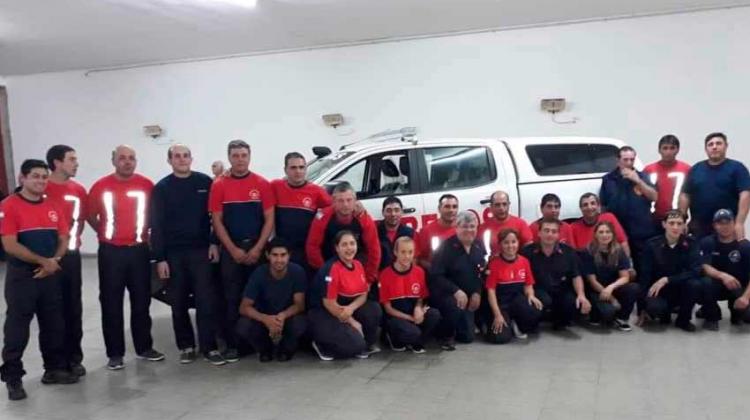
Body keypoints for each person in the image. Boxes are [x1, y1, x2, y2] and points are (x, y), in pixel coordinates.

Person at [0, 160, 78, 401]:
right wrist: (44, 262)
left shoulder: (52, 205)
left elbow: (64, 237)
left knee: (54, 324)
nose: (41, 181)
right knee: (17, 329)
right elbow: (10, 244)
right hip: (23, 277)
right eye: (35, 176)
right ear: (22, 179)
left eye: (44, 177)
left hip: (50, 274)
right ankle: (13, 378)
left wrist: (53, 260)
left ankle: (53, 369)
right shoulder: (8, 206)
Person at [88, 145, 164, 370]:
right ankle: (115, 353)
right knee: (111, 302)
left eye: (131, 158)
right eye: (122, 158)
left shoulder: (146, 185)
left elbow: (155, 215)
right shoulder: (101, 186)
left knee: (142, 300)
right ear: (113, 161)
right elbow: (91, 216)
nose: (127, 162)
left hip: (139, 251)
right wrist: (106, 234)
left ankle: (144, 347)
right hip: (111, 252)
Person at [149, 144, 224, 365]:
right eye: (177, 156)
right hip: (174, 254)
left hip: (201, 251)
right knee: (178, 301)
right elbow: (157, 225)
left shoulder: (204, 183)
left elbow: (215, 216)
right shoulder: (162, 188)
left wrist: (213, 243)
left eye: (185, 156)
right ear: (170, 161)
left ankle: (209, 347)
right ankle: (186, 346)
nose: (182, 160)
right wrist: (160, 257)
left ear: (191, 159)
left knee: (205, 300)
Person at [209, 139, 275, 362]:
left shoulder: (262, 184)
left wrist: (258, 248)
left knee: (258, 297)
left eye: (243, 155)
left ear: (250, 156)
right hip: (231, 250)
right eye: (235, 156)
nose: (240, 160)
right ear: (229, 158)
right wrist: (232, 249)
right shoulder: (219, 185)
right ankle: (234, 345)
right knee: (232, 298)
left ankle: (258, 342)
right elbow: (216, 221)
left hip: (257, 249)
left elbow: (269, 219)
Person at [44, 145, 88, 377]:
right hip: (47, 259)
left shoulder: (78, 190)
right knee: (52, 310)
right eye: (72, 159)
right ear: (57, 162)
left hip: (71, 257)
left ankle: (74, 358)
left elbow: (82, 220)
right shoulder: (42, 188)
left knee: (73, 308)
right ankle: (54, 363)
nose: (76, 163)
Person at [308, 231, 382, 360]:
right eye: (344, 245)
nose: (349, 248)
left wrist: (351, 309)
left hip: (344, 308)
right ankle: (321, 344)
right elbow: (329, 304)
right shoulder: (332, 268)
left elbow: (364, 294)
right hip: (325, 312)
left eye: (352, 243)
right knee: (353, 346)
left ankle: (363, 344)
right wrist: (353, 322)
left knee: (374, 309)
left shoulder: (358, 265)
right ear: (337, 248)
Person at [236, 239, 307, 362]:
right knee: (244, 325)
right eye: (275, 255)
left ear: (289, 255)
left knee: (300, 323)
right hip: (263, 320)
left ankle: (286, 349)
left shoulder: (297, 272)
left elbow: (300, 305)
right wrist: (265, 319)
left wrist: (282, 316)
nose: (279, 260)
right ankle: (264, 350)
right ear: (267, 255)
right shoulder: (259, 274)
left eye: (283, 255)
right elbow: (244, 307)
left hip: (286, 319)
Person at [639, 210, 705, 332]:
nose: (675, 227)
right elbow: (645, 276)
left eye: (679, 223)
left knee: (695, 284)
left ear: (684, 226)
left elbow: (695, 271)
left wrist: (667, 279)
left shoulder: (691, 244)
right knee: (655, 309)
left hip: (681, 289)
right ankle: (664, 312)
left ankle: (683, 320)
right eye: (671, 223)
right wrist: (642, 308)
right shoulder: (651, 245)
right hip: (659, 291)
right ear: (664, 224)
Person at [306, 182, 381, 286]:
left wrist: (368, 279)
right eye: (340, 201)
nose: (345, 204)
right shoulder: (322, 217)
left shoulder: (364, 219)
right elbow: (312, 247)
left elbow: (374, 251)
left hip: (356, 264)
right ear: (333, 201)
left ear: (355, 201)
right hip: (329, 263)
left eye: (349, 200)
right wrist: (325, 273)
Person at [430, 211, 486, 347]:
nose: (469, 230)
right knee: (453, 307)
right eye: (465, 226)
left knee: (467, 337)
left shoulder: (479, 245)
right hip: (448, 295)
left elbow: (481, 273)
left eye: (472, 226)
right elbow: (436, 276)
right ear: (457, 227)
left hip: (469, 295)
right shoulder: (445, 247)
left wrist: (477, 292)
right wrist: (456, 291)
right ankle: (445, 335)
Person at [521, 219, 591, 330]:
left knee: (573, 303)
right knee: (542, 304)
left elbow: (576, 275)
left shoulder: (569, 252)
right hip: (538, 291)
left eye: (554, 231)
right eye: (546, 230)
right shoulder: (527, 252)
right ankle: (541, 317)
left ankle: (558, 319)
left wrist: (581, 295)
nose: (550, 234)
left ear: (558, 235)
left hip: (561, 289)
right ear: (539, 233)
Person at [680, 132, 750, 240]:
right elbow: (685, 195)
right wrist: (682, 220)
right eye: (710, 144)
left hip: (727, 228)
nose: (714, 147)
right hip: (699, 228)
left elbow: (745, 194)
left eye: (718, 143)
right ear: (706, 149)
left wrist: (739, 223)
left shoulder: (737, 168)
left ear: (726, 146)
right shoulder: (696, 169)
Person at [600, 146, 658, 273]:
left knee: (644, 266)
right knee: (622, 267)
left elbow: (654, 197)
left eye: (632, 160)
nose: (629, 163)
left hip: (641, 231)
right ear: (618, 160)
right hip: (618, 231)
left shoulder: (642, 176)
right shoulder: (608, 179)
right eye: (625, 160)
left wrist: (638, 181)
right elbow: (603, 207)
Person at [379, 236, 440, 353]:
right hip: (396, 317)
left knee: (434, 314)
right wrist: (410, 318)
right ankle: (393, 338)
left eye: (410, 252)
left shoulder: (419, 272)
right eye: (403, 252)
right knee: (412, 332)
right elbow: (388, 309)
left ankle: (415, 341)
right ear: (395, 252)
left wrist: (418, 308)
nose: (407, 256)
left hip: (412, 315)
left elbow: (421, 297)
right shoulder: (385, 274)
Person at [271, 152, 331, 270]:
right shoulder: (275, 186)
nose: (298, 171)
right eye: (293, 168)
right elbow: (255, 188)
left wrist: (356, 205)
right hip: (281, 253)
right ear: (285, 170)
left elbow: (337, 207)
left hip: (304, 251)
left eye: (301, 167)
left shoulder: (316, 191)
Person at [485, 229, 543, 344]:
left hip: (517, 301)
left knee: (535, 309)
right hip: (501, 304)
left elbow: (528, 284)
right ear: (500, 245)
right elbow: (491, 291)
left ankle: (517, 323)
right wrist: (497, 315)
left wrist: (531, 295)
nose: (510, 246)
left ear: (518, 243)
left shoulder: (524, 261)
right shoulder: (494, 264)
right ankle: (502, 322)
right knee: (499, 338)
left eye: (513, 242)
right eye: (506, 242)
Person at [580, 221, 640, 331]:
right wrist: (612, 300)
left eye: (608, 232)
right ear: (595, 235)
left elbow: (625, 277)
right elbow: (592, 281)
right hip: (595, 290)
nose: (604, 235)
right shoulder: (587, 252)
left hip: (611, 288)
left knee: (634, 288)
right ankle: (597, 315)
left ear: (613, 234)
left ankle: (622, 318)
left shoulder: (619, 250)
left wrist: (611, 287)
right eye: (601, 232)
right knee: (608, 313)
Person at [700, 209, 750, 328]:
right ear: (714, 225)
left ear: (734, 223)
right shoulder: (707, 242)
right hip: (716, 286)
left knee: (748, 317)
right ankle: (711, 317)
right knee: (703, 283)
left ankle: (736, 313)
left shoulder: (745, 246)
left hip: (738, 288)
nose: (724, 226)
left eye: (727, 222)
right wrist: (723, 276)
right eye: (720, 223)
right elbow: (704, 265)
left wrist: (745, 297)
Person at [643, 135, 692, 226]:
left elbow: (689, 195)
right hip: (653, 219)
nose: (668, 152)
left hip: (677, 221)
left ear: (677, 150)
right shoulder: (648, 170)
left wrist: (684, 218)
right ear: (659, 150)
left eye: (672, 148)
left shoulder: (686, 169)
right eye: (665, 148)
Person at [478, 191, 533, 256]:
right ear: (491, 206)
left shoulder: (520, 224)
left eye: (504, 204)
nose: (501, 208)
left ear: (509, 205)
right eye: (497, 205)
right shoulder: (483, 227)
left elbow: (529, 248)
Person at [416, 194, 458, 270]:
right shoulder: (426, 231)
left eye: (454, 207)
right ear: (439, 209)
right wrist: (435, 268)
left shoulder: (463, 229)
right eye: (447, 206)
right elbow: (420, 259)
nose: (451, 210)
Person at [377, 196, 416, 269]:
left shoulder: (410, 233)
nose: (393, 214)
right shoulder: (375, 233)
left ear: (402, 212)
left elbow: (415, 259)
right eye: (389, 210)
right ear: (383, 212)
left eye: (397, 210)